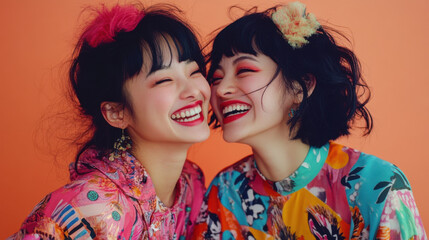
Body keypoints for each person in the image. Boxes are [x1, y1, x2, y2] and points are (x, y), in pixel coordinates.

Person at [192, 2, 426, 239]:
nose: (221, 89)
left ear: (300, 87)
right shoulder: (225, 190)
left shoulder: (377, 184)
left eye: (244, 70)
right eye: (217, 77)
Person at [10, 3, 210, 240]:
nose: (193, 91)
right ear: (117, 112)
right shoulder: (86, 209)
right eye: (164, 80)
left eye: (194, 71)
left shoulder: (191, 185)